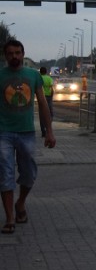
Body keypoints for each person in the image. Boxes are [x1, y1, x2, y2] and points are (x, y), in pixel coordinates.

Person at [1, 40, 56, 235]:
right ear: (5, 55)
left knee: (29, 172)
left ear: (23, 54)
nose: (14, 56)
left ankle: (20, 203)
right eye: (10, 53)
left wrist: (49, 131)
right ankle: (9, 219)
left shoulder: (33, 76)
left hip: (26, 132)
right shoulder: (0, 75)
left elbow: (42, 103)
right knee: (5, 174)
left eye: (17, 53)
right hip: (3, 133)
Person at [38, 67, 54, 138]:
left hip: (40, 97)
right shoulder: (49, 78)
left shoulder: (38, 78)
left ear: (40, 72)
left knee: (41, 114)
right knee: (50, 113)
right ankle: (48, 128)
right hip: (48, 97)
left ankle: (43, 131)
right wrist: (51, 96)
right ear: (46, 71)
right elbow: (51, 88)